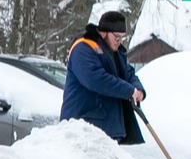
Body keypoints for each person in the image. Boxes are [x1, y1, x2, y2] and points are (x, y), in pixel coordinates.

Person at [60, 10, 146, 144]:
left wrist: (138, 89)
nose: (120, 41)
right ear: (103, 32)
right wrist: (129, 91)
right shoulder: (83, 48)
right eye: (116, 37)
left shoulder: (115, 52)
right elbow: (97, 80)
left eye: (122, 37)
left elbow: (128, 73)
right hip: (82, 127)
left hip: (107, 127)